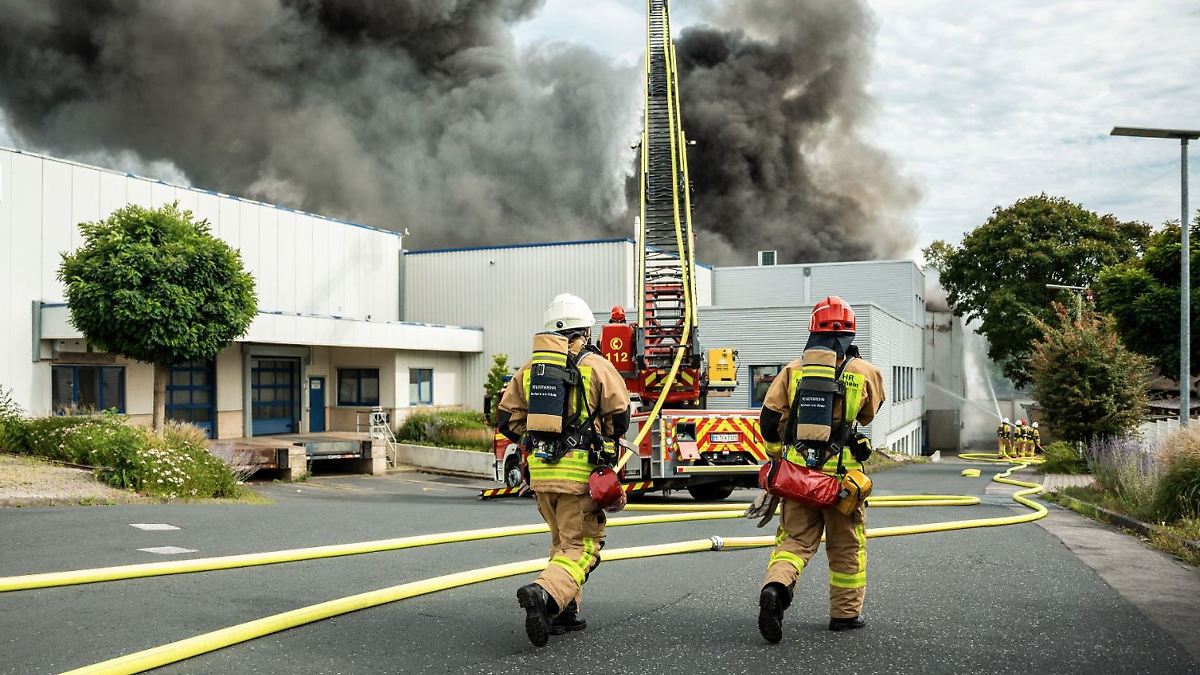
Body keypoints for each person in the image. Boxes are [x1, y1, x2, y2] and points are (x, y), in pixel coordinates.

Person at [496, 293, 632, 647]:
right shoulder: (596, 366)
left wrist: (537, 439)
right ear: (583, 332)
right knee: (584, 547)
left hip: (541, 475)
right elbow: (620, 418)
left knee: (561, 542)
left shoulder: (529, 370)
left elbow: (506, 420)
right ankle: (542, 593)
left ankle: (563, 612)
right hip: (580, 478)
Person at [756, 296, 886, 641]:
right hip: (842, 483)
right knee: (846, 548)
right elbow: (869, 415)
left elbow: (769, 421)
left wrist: (777, 456)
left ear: (813, 330)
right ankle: (845, 616)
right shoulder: (864, 372)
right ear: (851, 332)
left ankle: (775, 589)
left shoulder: (792, 369)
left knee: (795, 541)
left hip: (798, 480)